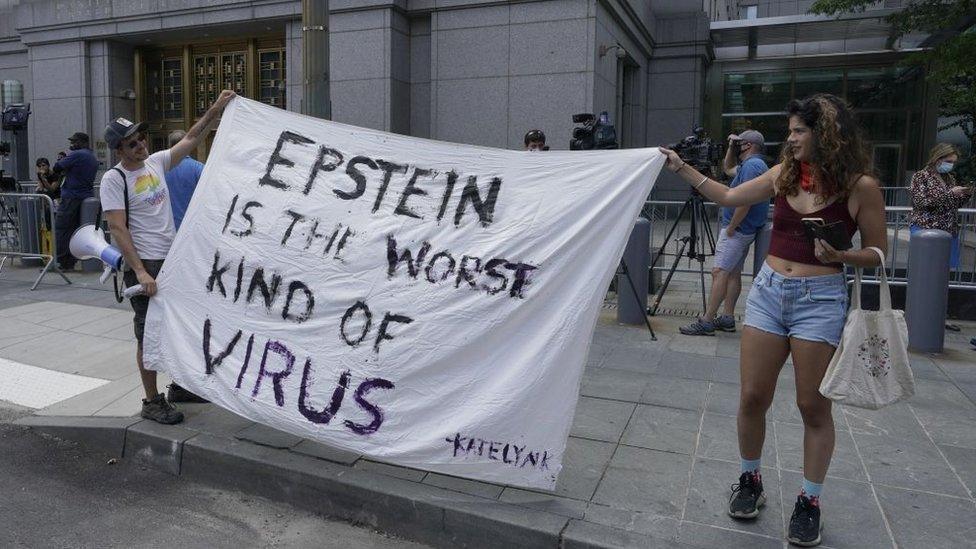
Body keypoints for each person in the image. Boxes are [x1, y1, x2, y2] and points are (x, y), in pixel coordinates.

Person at [660, 94, 887, 547]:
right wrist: (680, 166)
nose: (792, 138)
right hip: (768, 293)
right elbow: (726, 194)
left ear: (827, 134)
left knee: (812, 405)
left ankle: (810, 501)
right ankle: (750, 481)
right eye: (791, 130)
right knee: (752, 397)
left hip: (819, 299)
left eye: (800, 131)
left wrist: (842, 255)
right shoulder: (784, 175)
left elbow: (879, 253)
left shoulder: (860, 186)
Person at [99, 89, 236, 425]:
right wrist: (140, 272)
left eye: (142, 138)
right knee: (148, 334)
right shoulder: (114, 179)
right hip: (147, 264)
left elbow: (191, 137)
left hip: (173, 260)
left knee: (179, 326)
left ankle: (180, 386)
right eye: (132, 143)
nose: (140, 145)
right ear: (119, 150)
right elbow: (118, 229)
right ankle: (151, 400)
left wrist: (216, 109)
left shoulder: (157, 162)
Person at [680, 130, 769, 336]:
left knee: (719, 272)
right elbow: (728, 168)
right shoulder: (752, 165)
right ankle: (727, 318)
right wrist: (731, 147)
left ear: (747, 146)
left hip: (737, 230)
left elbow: (745, 200)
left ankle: (707, 320)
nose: (736, 147)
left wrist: (731, 228)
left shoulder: (752, 166)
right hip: (743, 230)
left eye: (739, 144)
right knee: (732, 274)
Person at [908, 143, 972, 332]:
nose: (951, 165)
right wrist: (949, 194)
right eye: (948, 161)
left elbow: (951, 203)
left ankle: (938, 315)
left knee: (943, 276)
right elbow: (922, 203)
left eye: (953, 162)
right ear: (937, 159)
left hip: (948, 231)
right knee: (925, 274)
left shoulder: (949, 177)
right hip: (926, 231)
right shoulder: (922, 176)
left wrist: (963, 194)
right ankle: (919, 315)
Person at [52, 132, 98, 270]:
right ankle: (71, 260)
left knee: (62, 228)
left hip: (71, 196)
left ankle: (61, 262)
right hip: (85, 196)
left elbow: (56, 167)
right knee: (75, 230)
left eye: (75, 141)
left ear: (83, 142)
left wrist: (64, 160)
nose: (72, 144)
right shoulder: (91, 157)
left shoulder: (77, 155)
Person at [164, 130, 205, 231]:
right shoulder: (199, 168)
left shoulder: (160, 169)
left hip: (166, 228)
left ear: (170, 146)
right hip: (192, 227)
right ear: (188, 146)